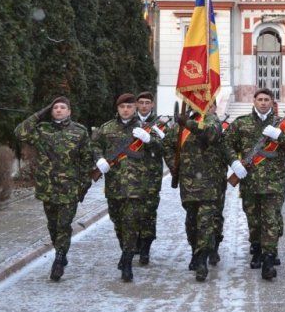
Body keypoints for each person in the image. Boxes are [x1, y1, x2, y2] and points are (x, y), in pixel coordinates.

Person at [224, 88, 285, 280]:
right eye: (260, 99)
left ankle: (269, 257)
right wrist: (234, 162)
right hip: (249, 181)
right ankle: (257, 248)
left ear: (272, 102)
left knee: (271, 218)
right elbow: (226, 144)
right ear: (254, 101)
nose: (263, 103)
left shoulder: (282, 125)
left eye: (267, 99)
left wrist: (279, 136)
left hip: (274, 182)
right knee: (254, 218)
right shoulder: (241, 123)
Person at [14, 97, 92, 281]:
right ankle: (61, 252)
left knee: (64, 225)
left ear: (69, 111)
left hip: (69, 188)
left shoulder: (79, 132)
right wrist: (40, 113)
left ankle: (59, 259)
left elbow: (86, 159)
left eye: (62, 107)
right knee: (53, 226)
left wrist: (84, 184)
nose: (58, 110)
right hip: (47, 187)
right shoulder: (42, 130)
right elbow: (19, 132)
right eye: (55, 107)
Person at [163, 103, 242, 281]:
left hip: (211, 183)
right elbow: (167, 145)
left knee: (207, 220)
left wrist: (188, 124)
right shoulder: (179, 126)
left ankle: (202, 259)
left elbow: (211, 133)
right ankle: (195, 250)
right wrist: (173, 165)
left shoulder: (212, 121)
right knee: (192, 221)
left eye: (210, 104)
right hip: (188, 182)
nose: (205, 106)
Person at [92, 93, 164, 282]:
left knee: (131, 223)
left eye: (130, 107)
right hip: (114, 185)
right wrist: (98, 159)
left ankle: (127, 261)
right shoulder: (106, 128)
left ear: (135, 108)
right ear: (117, 108)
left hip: (137, 187)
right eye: (122, 106)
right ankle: (126, 250)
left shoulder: (145, 129)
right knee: (118, 223)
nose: (126, 110)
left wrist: (150, 140)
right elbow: (94, 146)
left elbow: (162, 148)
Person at [135, 91, 165, 265]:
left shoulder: (160, 124)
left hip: (152, 177)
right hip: (130, 177)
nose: (145, 106)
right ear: (137, 105)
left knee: (148, 213)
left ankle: (145, 247)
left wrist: (152, 139)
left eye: (148, 102)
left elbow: (166, 148)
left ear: (152, 105)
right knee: (131, 213)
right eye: (141, 102)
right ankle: (134, 242)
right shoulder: (129, 123)